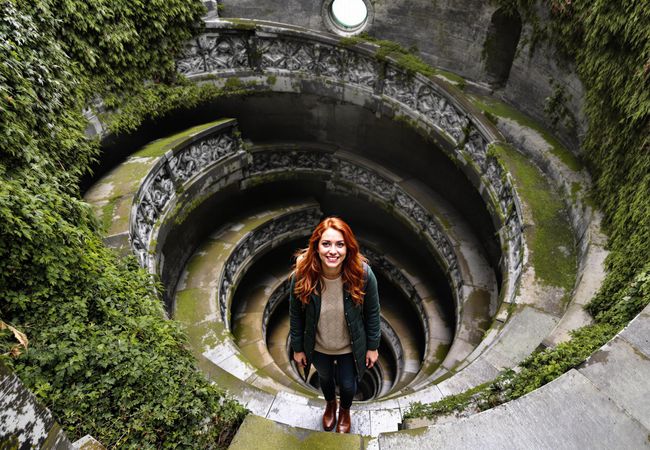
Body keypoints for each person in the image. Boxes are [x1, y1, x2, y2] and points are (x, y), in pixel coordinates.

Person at [289, 217, 380, 433]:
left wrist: (373, 346)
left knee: (348, 385)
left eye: (340, 244)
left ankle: (345, 411)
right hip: (319, 346)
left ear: (348, 248)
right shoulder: (303, 274)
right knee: (325, 378)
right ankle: (330, 405)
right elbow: (295, 314)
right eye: (326, 244)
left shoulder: (363, 274)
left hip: (350, 347)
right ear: (316, 247)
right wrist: (298, 348)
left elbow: (373, 312)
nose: (333, 251)